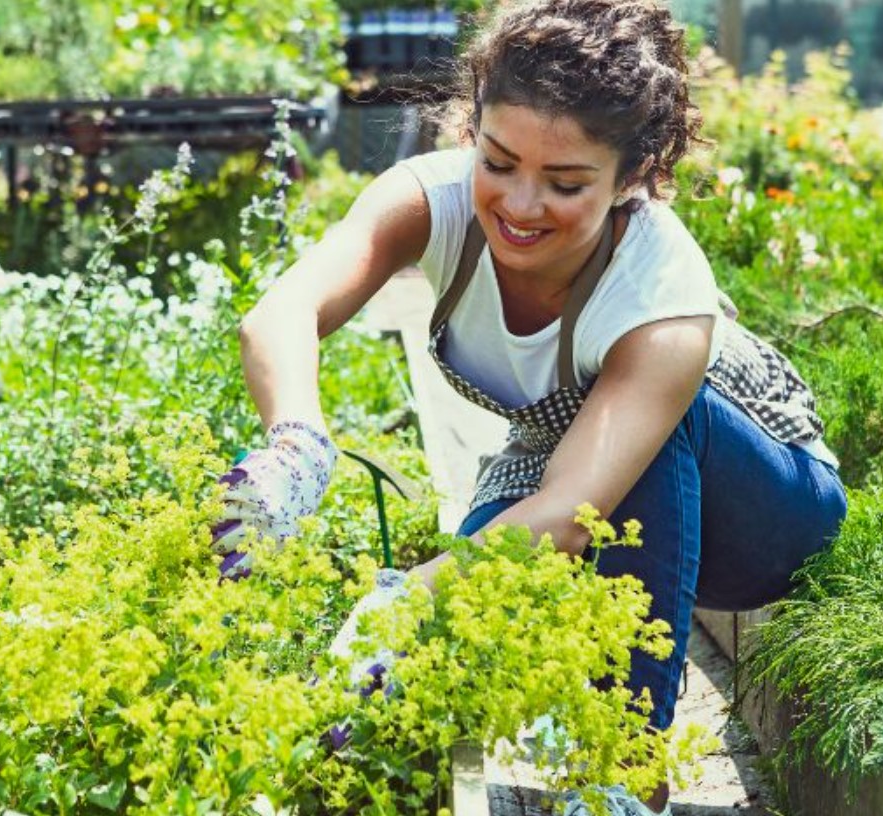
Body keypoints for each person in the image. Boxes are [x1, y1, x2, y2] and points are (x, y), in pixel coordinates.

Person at [212, 0, 848, 812]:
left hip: (767, 512)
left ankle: (624, 772)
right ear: (471, 126)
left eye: (565, 182)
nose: (518, 204)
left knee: (509, 548)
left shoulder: (661, 289)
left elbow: (571, 517)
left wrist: (404, 598)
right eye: (499, 160)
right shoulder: (429, 201)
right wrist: (296, 444)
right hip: (574, 469)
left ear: (631, 178)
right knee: (469, 608)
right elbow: (279, 311)